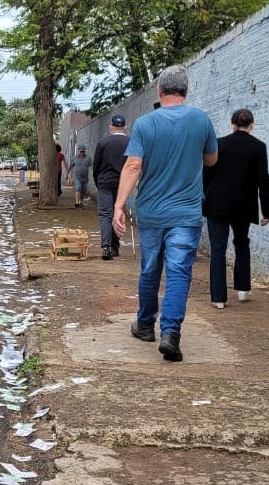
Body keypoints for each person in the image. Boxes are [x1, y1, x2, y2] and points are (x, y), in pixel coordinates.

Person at [113, 65, 218, 362]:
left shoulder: (146, 124)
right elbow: (212, 159)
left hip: (151, 213)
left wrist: (119, 206)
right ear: (186, 91)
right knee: (179, 272)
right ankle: (171, 333)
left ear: (159, 91)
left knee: (150, 269)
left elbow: (133, 166)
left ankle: (146, 325)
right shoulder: (201, 120)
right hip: (186, 213)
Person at [203, 108, 269, 309]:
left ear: (232, 125)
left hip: (217, 203)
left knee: (218, 248)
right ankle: (243, 289)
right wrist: (266, 211)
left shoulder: (218, 143)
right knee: (242, 243)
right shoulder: (258, 147)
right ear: (252, 126)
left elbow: (206, 172)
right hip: (244, 204)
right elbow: (264, 181)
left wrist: (204, 197)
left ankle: (218, 298)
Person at [93, 115, 130, 259]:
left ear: (111, 126)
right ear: (125, 126)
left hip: (105, 182)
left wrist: (98, 181)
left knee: (105, 214)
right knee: (118, 213)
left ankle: (106, 247)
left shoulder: (103, 143)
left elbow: (96, 166)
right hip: (122, 183)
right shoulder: (130, 142)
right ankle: (115, 246)